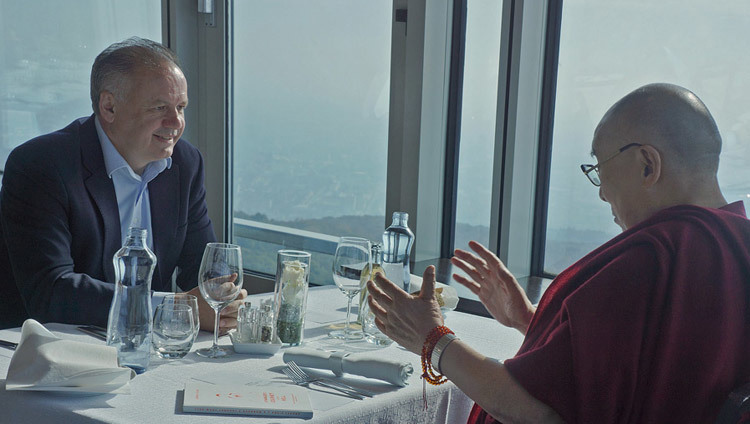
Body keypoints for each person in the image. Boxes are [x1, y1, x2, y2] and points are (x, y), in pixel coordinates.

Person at [367, 83, 750, 423]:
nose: (601, 192)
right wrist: (531, 321)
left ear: (647, 164)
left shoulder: (650, 261)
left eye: (600, 167)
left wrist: (431, 339)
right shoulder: (736, 249)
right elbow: (639, 371)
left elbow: (539, 411)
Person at [0, 37, 246, 331]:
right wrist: (169, 309)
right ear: (109, 107)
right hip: (46, 351)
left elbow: (205, 269)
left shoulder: (185, 162)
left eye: (181, 107)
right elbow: (52, 291)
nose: (175, 122)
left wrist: (223, 298)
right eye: (159, 108)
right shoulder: (41, 165)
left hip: (147, 346)